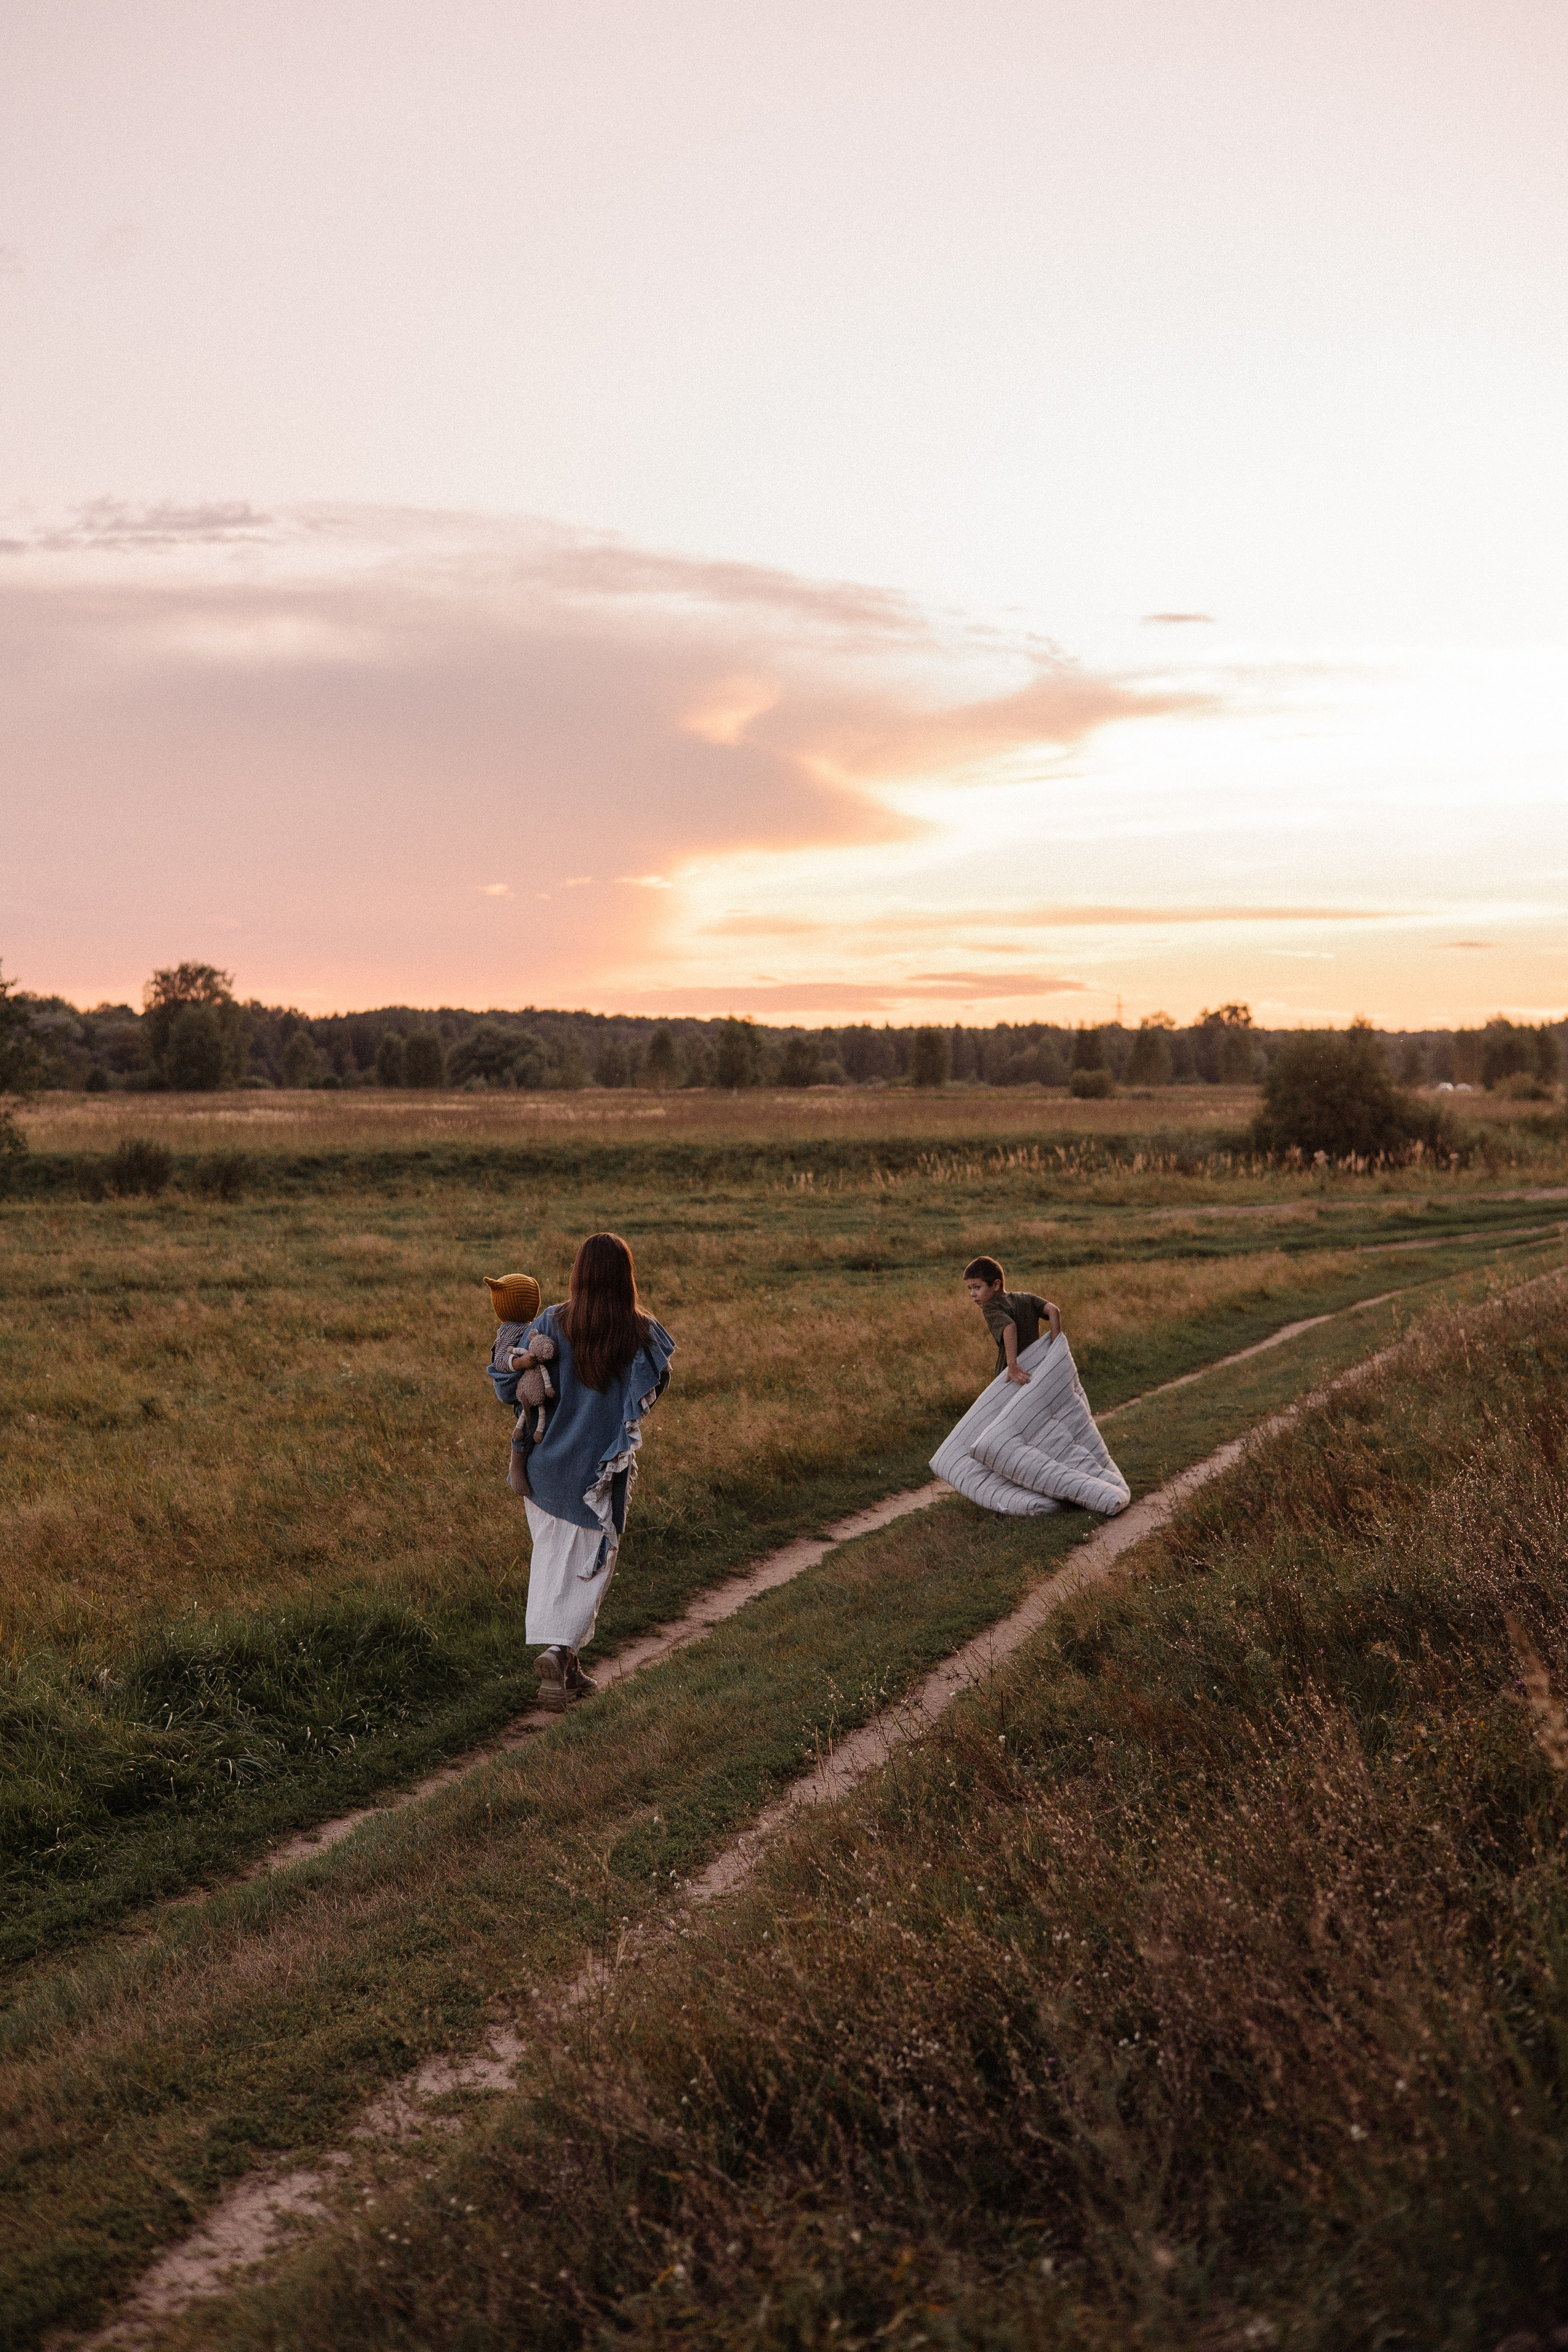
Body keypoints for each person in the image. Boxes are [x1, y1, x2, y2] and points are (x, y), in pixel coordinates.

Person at [487, 1233, 674, 1712]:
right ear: (626, 1276)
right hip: (599, 1476)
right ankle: (560, 1653)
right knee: (592, 1568)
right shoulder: (643, 1333)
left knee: (553, 1562)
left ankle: (568, 1671)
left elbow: (509, 1389)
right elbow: (655, 1388)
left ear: (578, 1274)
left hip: (543, 1471)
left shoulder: (550, 1320)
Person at [963, 1255, 1061, 1387]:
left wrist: (1012, 1365)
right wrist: (1055, 1347)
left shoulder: (990, 1307)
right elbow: (1053, 1310)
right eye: (970, 1288)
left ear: (996, 1285)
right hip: (1035, 1366)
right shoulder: (1025, 1298)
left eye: (977, 1287)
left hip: (1010, 1376)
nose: (972, 1294)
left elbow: (1009, 1326)